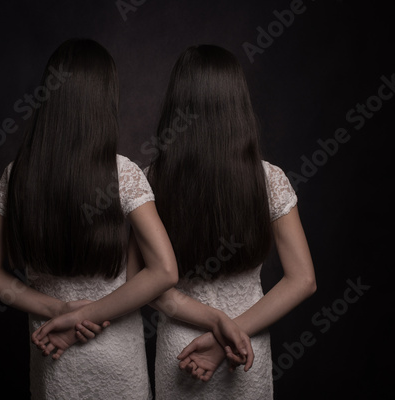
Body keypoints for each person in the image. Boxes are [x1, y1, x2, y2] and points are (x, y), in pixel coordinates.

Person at [0, 38, 182, 400]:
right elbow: (165, 271)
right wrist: (84, 313)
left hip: (53, 348)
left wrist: (59, 311)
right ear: (103, 101)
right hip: (116, 357)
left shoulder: (18, 174)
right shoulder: (123, 173)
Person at [126, 44, 317, 399]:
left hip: (182, 347)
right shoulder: (268, 179)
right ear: (238, 104)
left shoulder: (149, 180)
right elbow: (303, 279)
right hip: (245, 344)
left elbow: (137, 282)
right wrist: (230, 332)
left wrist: (216, 332)